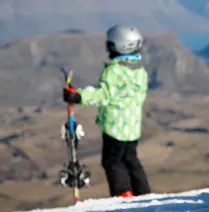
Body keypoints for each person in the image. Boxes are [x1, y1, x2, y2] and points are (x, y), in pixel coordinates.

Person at [62, 24, 151, 198]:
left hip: (115, 126)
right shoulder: (140, 70)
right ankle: (144, 194)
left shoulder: (114, 71)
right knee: (131, 160)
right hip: (132, 127)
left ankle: (123, 196)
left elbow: (103, 95)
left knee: (113, 161)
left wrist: (78, 96)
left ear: (118, 45)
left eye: (110, 44)